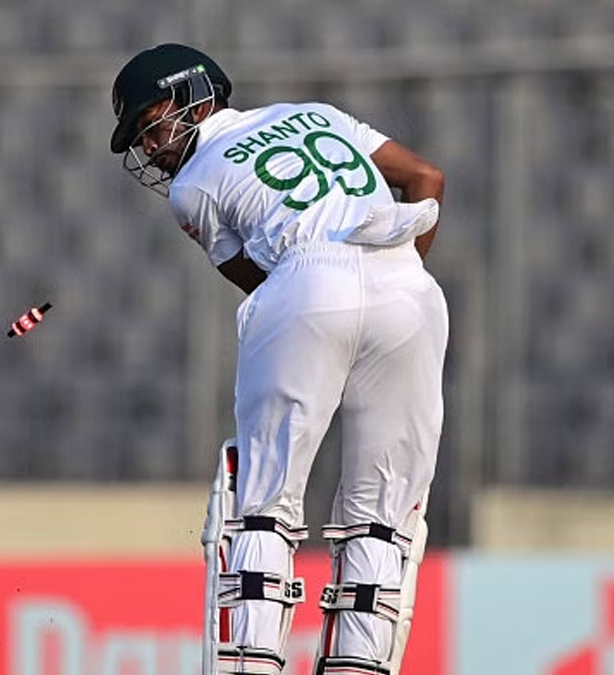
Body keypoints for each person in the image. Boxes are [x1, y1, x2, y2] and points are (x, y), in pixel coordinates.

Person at [109, 43, 448, 675]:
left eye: (150, 125)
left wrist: (335, 305)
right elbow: (426, 180)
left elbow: (262, 283)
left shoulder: (192, 187)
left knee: (265, 503)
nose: (150, 148)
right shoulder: (317, 113)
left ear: (193, 98)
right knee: (381, 517)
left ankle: (253, 663)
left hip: (306, 280)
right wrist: (386, 282)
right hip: (409, 286)